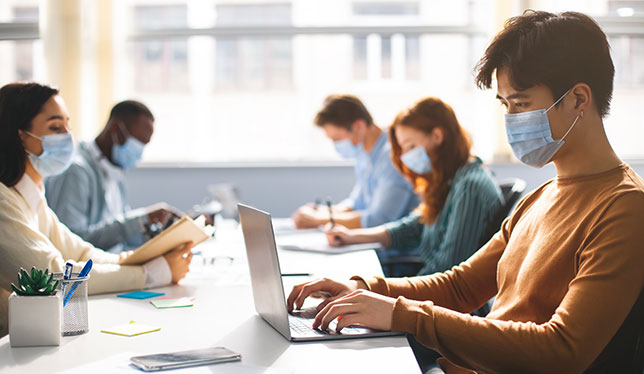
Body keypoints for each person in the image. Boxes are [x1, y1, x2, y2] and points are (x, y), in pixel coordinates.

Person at [287, 11, 644, 373]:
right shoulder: (541, 197)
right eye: (505, 105)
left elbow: (562, 350)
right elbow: (460, 287)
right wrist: (363, 287)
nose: (511, 119)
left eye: (521, 103)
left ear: (579, 99)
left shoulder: (625, 208)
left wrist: (405, 315)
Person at [0, 83, 193, 338]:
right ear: (19, 135)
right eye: (56, 127)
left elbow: (80, 251)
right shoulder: (4, 200)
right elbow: (54, 275)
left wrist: (139, 260)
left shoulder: (30, 193)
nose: (68, 136)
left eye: (67, 125)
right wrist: (150, 274)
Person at [325, 97, 503, 276]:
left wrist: (379, 291)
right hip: (429, 289)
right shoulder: (449, 179)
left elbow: (447, 272)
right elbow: (414, 227)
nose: (405, 157)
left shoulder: (469, 187)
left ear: (437, 136)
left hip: (440, 298)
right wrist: (353, 237)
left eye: (411, 146)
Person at [45, 100, 180, 253]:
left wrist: (156, 230)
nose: (140, 152)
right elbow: (71, 242)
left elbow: (118, 237)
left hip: (112, 262)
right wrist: (140, 220)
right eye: (139, 142)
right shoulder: (75, 172)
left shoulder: (115, 171)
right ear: (116, 128)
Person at [291, 94, 417, 229]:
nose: (335, 145)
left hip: (393, 248)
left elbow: (380, 219)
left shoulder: (391, 157)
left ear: (359, 126)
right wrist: (322, 211)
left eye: (337, 138)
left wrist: (319, 220)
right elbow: (356, 203)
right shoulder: (364, 155)